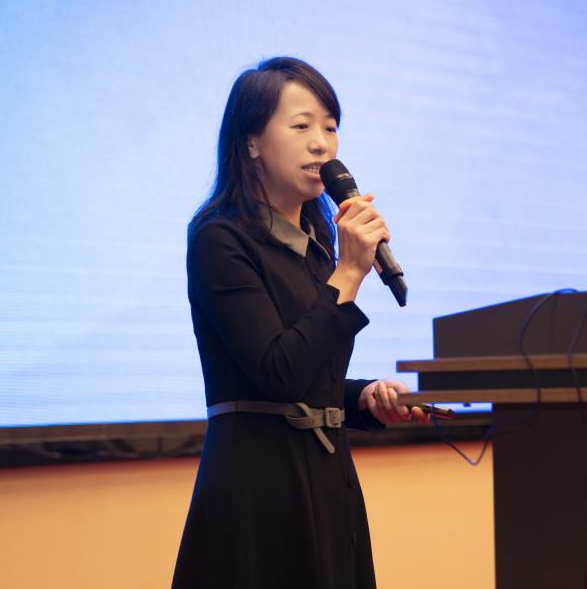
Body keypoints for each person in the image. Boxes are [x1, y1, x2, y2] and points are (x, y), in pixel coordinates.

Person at [172, 57, 427, 589]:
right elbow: (277, 372)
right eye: (302, 126)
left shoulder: (317, 247)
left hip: (329, 483)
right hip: (257, 491)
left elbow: (311, 374)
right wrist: (350, 272)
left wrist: (364, 397)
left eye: (330, 128)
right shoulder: (220, 239)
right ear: (251, 142)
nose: (321, 145)